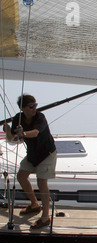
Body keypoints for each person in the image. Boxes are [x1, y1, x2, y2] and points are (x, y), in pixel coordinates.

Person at [3, 94, 57, 229]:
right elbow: (12, 139)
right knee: (21, 176)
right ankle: (34, 204)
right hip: (33, 154)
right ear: (23, 108)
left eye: (35, 105)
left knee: (41, 182)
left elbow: (35, 132)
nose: (34, 108)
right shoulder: (18, 118)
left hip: (46, 154)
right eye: (31, 106)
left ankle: (45, 217)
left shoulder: (40, 117)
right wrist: (9, 131)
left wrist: (23, 134)